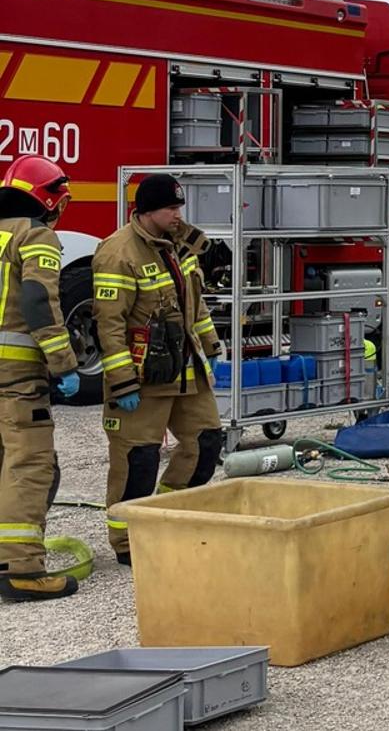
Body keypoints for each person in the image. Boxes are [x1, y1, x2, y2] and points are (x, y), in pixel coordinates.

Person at [94, 173, 223, 566]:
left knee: (206, 443)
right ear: (147, 210)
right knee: (139, 460)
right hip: (143, 379)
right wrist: (121, 381)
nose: (177, 214)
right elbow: (109, 324)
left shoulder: (180, 245)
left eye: (179, 207)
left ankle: (170, 517)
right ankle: (128, 541)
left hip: (186, 372)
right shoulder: (118, 253)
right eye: (171, 207)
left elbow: (194, 305)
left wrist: (212, 345)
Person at [0, 155, 82, 601]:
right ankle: (21, 570)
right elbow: (38, 301)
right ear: (49, 199)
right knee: (29, 466)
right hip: (15, 376)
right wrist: (64, 364)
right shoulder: (36, 236)